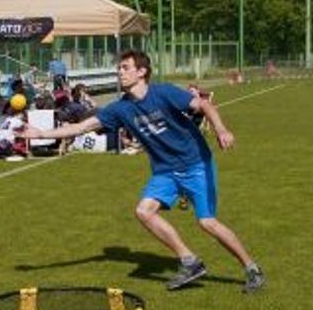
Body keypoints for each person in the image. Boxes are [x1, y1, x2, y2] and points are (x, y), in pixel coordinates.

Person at [19, 50, 266, 293]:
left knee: (207, 222)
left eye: (125, 68)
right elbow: (82, 127)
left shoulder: (164, 93)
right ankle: (190, 262)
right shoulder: (119, 109)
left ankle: (252, 268)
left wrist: (221, 129)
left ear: (142, 72)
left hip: (195, 164)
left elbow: (204, 105)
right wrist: (41, 134)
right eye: (119, 68)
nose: (120, 73)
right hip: (165, 171)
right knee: (144, 211)